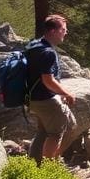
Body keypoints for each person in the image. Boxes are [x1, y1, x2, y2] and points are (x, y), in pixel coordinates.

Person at [27, 14, 77, 163]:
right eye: (63, 29)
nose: (66, 32)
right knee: (58, 133)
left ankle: (33, 164)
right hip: (45, 99)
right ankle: (48, 169)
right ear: (53, 31)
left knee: (43, 131)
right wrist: (66, 93)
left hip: (32, 97)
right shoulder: (48, 52)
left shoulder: (34, 45)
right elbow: (47, 80)